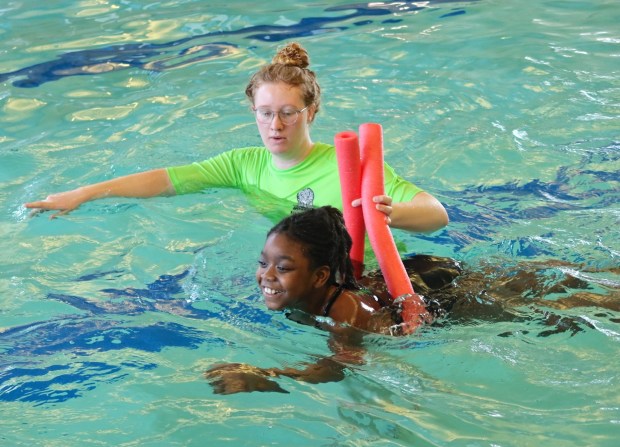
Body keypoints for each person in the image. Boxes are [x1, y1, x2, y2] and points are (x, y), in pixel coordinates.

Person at [24, 42, 448, 234]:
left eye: (287, 113)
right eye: (265, 114)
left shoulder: (347, 168)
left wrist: (390, 214)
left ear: (311, 112)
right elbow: (167, 180)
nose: (275, 126)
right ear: (253, 113)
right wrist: (82, 193)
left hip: (367, 278)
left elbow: (436, 214)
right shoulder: (244, 165)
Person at [205, 206, 619, 394]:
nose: (266, 277)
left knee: (554, 304)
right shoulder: (314, 293)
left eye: (283, 268)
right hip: (416, 274)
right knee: (541, 277)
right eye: (264, 263)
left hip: (448, 299)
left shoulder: (348, 313)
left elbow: (337, 368)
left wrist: (269, 376)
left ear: (319, 277)